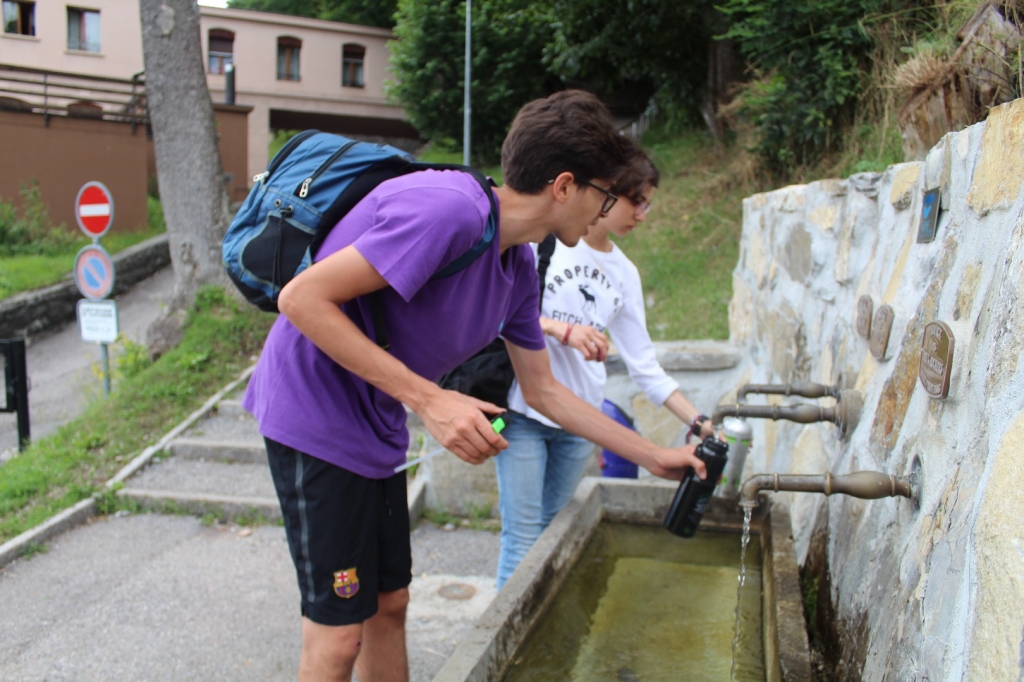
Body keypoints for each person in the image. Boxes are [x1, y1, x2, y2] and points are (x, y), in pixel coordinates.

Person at [243, 90, 707, 682]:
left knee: (390, 605)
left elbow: (545, 394)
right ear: (564, 186)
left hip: (375, 426)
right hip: (313, 417)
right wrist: (430, 399)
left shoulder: (516, 265)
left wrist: (654, 455)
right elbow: (300, 298)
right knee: (336, 641)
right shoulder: (450, 209)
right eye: (605, 194)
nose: (606, 210)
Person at [496, 152, 714, 589]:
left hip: (580, 421)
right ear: (608, 193)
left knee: (551, 534)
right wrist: (562, 330)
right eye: (639, 201)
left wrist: (699, 421)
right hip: (522, 413)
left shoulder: (624, 274)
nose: (643, 215)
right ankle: (504, 653)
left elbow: (646, 367)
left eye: (648, 204)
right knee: (521, 538)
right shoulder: (543, 243)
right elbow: (498, 316)